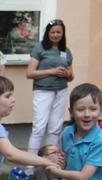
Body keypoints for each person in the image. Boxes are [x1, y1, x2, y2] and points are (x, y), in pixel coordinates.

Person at [26, 19, 73, 160]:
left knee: (55, 129)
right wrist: (52, 71)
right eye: (52, 32)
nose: (55, 35)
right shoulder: (40, 48)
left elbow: (71, 76)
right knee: (39, 128)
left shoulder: (66, 51)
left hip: (61, 91)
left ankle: (51, 163)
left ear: (63, 33)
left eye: (59, 32)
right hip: (43, 91)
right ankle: (30, 165)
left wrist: (66, 74)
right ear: (47, 33)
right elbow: (30, 73)